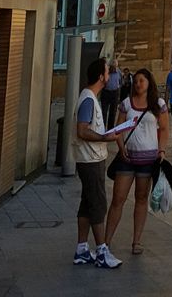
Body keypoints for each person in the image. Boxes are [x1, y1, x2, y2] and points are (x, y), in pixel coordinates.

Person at [105, 68, 168, 257]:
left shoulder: (158, 104)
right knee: (118, 199)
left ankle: (136, 241)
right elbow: (119, 127)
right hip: (127, 158)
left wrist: (162, 150)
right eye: (137, 81)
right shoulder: (126, 103)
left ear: (149, 82)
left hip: (148, 160)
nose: (139, 84)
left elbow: (164, 128)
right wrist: (120, 146)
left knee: (141, 199)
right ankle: (106, 242)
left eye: (142, 80)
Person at [72, 57, 127, 269]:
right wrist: (106, 137)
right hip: (90, 159)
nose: (110, 74)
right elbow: (82, 130)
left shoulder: (90, 97)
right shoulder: (88, 99)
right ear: (100, 76)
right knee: (98, 204)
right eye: (107, 71)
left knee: (87, 204)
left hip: (90, 157)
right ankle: (102, 250)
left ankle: (82, 249)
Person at [101, 57, 122, 132]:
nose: (113, 67)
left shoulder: (119, 72)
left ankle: (110, 129)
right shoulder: (106, 72)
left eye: (115, 65)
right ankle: (102, 128)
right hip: (106, 92)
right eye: (112, 65)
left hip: (115, 93)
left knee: (113, 112)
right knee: (104, 111)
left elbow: (120, 82)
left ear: (117, 65)